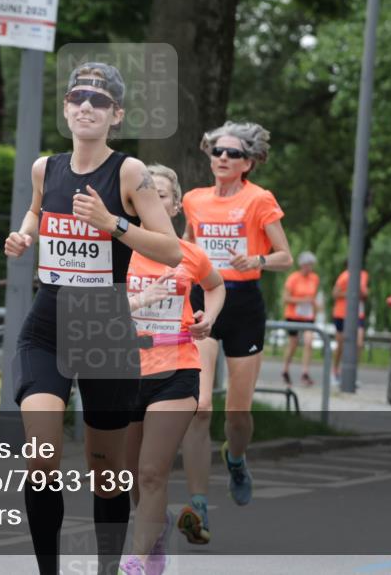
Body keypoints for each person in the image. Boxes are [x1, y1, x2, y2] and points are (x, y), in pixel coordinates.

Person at [4, 62, 181, 575]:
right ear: (65, 108)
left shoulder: (129, 173)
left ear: (115, 114)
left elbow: (170, 249)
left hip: (103, 324)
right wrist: (25, 235)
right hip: (47, 322)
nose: (86, 106)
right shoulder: (46, 167)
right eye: (78, 97)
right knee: (41, 455)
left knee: (106, 473)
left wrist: (114, 223)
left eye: (99, 101)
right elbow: (38, 211)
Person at [179, 121, 292, 538]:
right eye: (217, 152)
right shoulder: (193, 200)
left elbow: (285, 256)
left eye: (233, 154)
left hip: (243, 302)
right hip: (203, 300)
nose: (223, 158)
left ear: (248, 162)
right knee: (200, 404)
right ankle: (199, 506)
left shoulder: (258, 199)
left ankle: (236, 459)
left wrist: (256, 261)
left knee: (237, 416)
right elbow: (185, 247)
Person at [120, 164, 224, 575]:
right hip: (125, 369)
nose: (153, 201)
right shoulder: (118, 252)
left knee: (151, 472)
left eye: (161, 194)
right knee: (130, 478)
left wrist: (208, 318)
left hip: (177, 367)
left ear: (175, 205)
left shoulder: (189, 254)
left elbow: (216, 286)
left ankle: (137, 558)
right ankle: (156, 530)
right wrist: (144, 299)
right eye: (145, 194)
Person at [280, 251, 320, 387]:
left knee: (309, 341)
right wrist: (302, 300)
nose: (310, 268)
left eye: (312, 265)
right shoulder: (293, 278)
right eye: (308, 265)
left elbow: (314, 297)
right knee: (293, 343)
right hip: (293, 315)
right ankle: (285, 369)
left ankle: (305, 372)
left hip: (308, 315)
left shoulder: (314, 278)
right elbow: (285, 299)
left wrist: (315, 305)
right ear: (302, 265)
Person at [331, 260, 369, 385]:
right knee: (341, 344)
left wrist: (362, 293)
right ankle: (335, 371)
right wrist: (350, 293)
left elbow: (366, 293)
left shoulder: (363, 275)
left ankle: (350, 373)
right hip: (342, 313)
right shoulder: (344, 276)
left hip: (358, 313)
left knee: (358, 343)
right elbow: (335, 293)